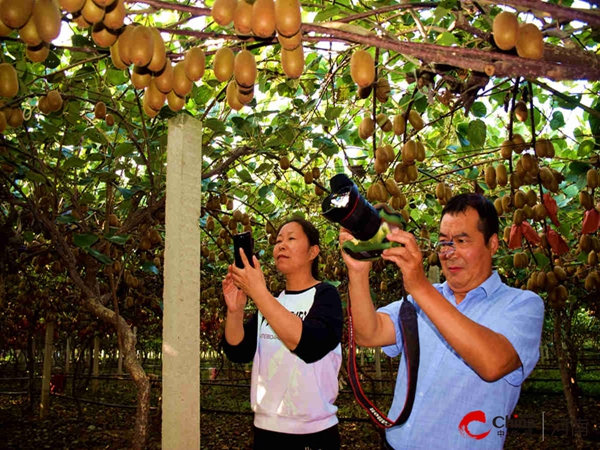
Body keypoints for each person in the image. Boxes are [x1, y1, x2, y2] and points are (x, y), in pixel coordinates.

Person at [339, 193, 545, 449]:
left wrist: (419, 286)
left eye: (461, 240)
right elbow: (368, 334)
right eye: (444, 242)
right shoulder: (422, 300)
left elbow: (493, 363)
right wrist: (358, 273)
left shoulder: (522, 305)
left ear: (492, 244)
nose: (449, 252)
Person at [222, 217, 343, 450]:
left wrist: (259, 293)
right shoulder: (273, 302)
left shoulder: (326, 296)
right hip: (266, 430)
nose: (281, 245)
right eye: (278, 241)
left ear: (312, 252)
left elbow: (309, 345)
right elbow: (238, 351)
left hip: (313, 433)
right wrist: (235, 311)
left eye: (291, 238)